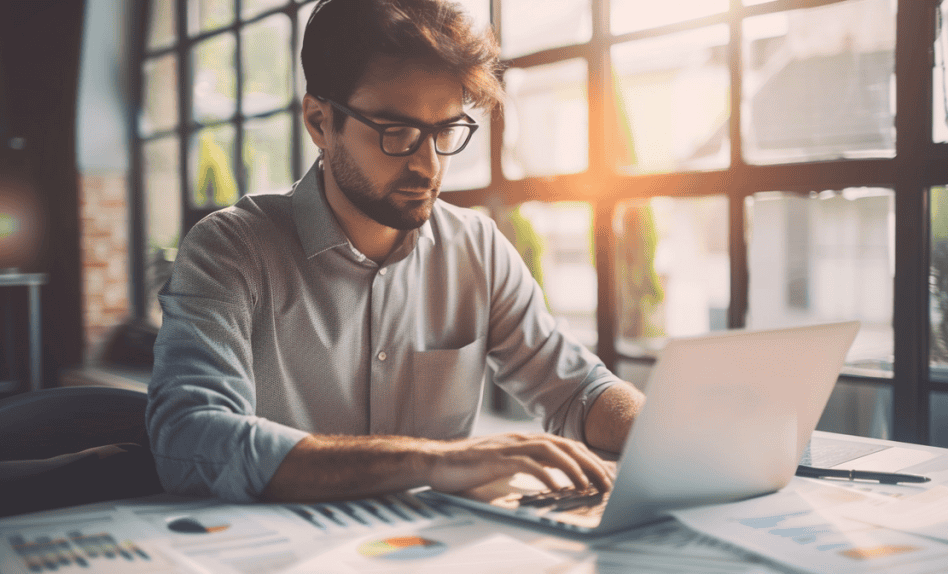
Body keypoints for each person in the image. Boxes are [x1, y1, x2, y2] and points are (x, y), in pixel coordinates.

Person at [146, 0, 645, 504]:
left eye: (445, 130)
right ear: (320, 121)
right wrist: (433, 460)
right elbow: (191, 439)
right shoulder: (229, 252)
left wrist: (668, 436)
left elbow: (578, 391)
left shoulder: (478, 248)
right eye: (397, 132)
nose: (428, 166)